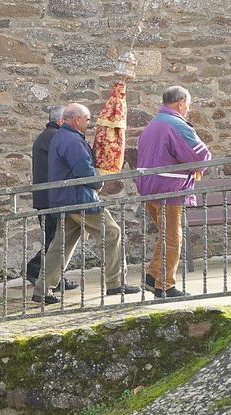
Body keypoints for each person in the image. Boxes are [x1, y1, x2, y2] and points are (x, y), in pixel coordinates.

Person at [32, 104, 140, 304]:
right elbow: (84, 169)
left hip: (65, 198)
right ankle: (115, 282)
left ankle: (42, 289)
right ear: (76, 119)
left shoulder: (61, 137)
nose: (89, 123)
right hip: (79, 198)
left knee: (61, 244)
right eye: (87, 119)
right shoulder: (72, 140)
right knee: (112, 232)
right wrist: (98, 183)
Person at [135, 86, 212, 298]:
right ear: (180, 102)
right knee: (172, 238)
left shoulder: (152, 124)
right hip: (169, 191)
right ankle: (165, 286)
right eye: (188, 104)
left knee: (165, 236)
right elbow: (201, 156)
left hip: (149, 189)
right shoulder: (177, 125)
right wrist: (199, 169)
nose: (188, 108)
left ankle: (152, 277)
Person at [25, 106, 78, 292]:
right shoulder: (55, 136)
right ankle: (37, 269)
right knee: (56, 240)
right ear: (62, 121)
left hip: (46, 198)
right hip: (51, 198)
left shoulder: (47, 136)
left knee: (55, 239)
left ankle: (46, 274)